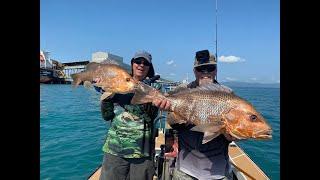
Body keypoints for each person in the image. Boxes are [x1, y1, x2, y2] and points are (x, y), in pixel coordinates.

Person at [153, 50, 235, 180]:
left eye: (210, 68)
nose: (206, 73)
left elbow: (234, 133)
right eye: (201, 69)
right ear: (194, 71)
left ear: (216, 70)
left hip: (218, 172)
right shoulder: (183, 90)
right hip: (186, 170)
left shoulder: (228, 94)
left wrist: (231, 133)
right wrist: (180, 115)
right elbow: (171, 121)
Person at [98, 50, 161, 180]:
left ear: (150, 67)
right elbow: (107, 116)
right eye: (138, 61)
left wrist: (142, 94)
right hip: (115, 149)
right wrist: (107, 96)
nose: (141, 65)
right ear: (132, 64)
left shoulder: (155, 87)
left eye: (145, 63)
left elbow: (151, 117)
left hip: (142, 152)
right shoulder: (117, 82)